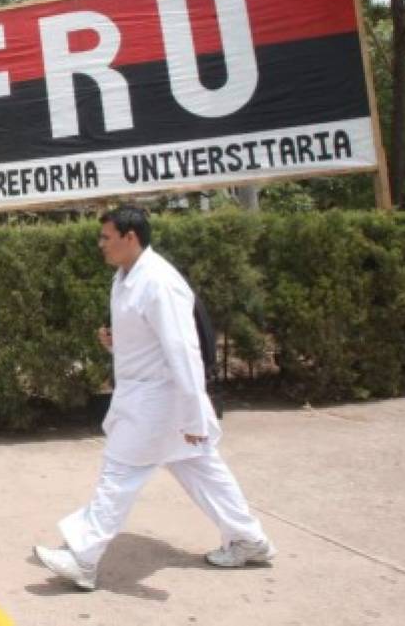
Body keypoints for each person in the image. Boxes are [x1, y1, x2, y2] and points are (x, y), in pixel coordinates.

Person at [34, 206, 273, 591]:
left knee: (119, 473)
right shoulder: (124, 278)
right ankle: (249, 540)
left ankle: (83, 557)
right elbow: (148, 343)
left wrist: (197, 417)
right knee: (203, 470)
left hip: (159, 401)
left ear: (131, 238)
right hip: (144, 396)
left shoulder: (159, 282)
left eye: (106, 238)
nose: (101, 245)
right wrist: (116, 344)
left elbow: (183, 351)